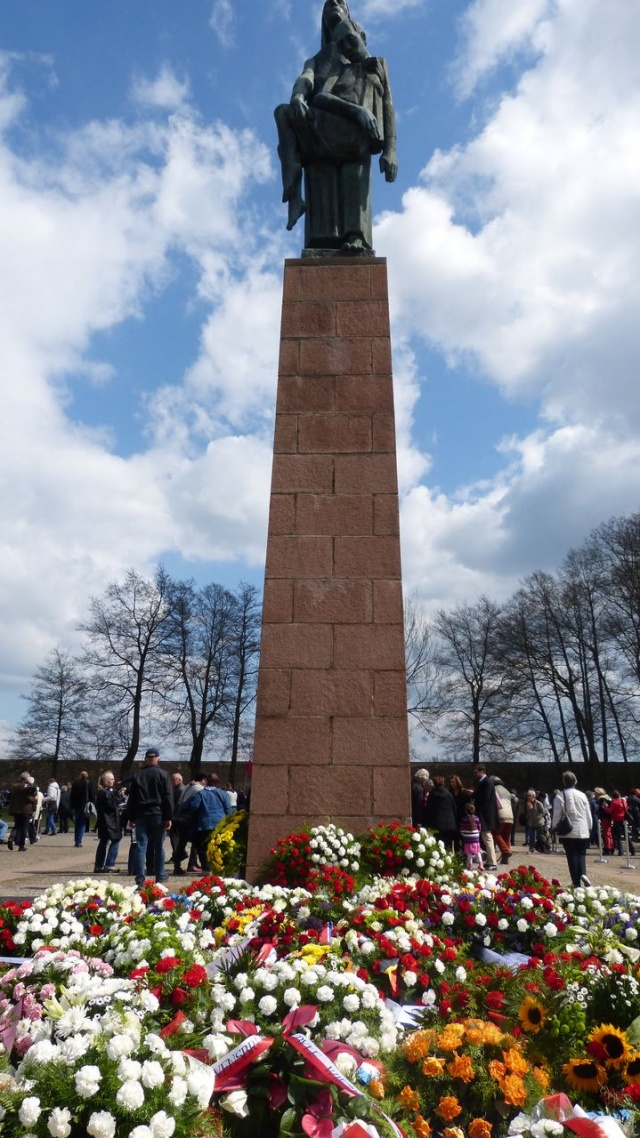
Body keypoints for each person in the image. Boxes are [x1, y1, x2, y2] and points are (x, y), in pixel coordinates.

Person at [274, 3, 397, 251]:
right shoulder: (323, 60)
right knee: (285, 114)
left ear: (362, 35)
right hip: (330, 127)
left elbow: (388, 106)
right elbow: (310, 83)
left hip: (358, 137)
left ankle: (356, 236)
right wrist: (298, 96)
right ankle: (295, 195)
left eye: (340, 2)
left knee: (355, 176)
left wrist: (390, 150)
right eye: (342, 43)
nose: (347, 47)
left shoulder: (376, 63)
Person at [125, 748, 173, 887]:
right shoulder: (163, 774)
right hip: (158, 813)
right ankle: (160, 875)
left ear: (146, 759)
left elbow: (132, 799)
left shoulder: (137, 776)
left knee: (141, 846)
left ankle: (140, 878)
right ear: (158, 759)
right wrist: (168, 817)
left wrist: (131, 817)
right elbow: (168, 797)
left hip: (141, 814)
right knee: (159, 846)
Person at [551, 770, 592, 888]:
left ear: (564, 782)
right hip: (582, 828)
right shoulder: (582, 795)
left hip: (568, 829)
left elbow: (557, 814)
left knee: (571, 854)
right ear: (575, 781)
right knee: (581, 853)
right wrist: (589, 826)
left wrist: (554, 827)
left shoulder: (560, 795)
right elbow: (588, 813)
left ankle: (576, 881)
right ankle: (583, 874)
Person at [188, 773, 233, 871]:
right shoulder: (223, 793)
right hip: (219, 824)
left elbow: (193, 807)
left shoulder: (201, 794)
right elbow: (228, 810)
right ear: (218, 782)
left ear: (207, 781)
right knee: (218, 846)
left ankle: (206, 868)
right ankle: (217, 866)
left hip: (204, 824)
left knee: (203, 848)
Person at [94, 771, 122, 873]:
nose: (113, 781)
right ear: (106, 781)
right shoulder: (104, 792)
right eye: (111, 779)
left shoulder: (103, 792)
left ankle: (99, 865)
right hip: (109, 821)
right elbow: (111, 805)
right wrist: (118, 795)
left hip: (105, 821)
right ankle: (109, 864)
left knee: (103, 842)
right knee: (115, 840)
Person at [471, 766, 498, 870]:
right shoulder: (483, 782)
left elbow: (485, 797)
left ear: (481, 771)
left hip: (486, 814)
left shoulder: (487, 782)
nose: (475, 774)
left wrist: (473, 794)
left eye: (476, 772)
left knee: (487, 837)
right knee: (486, 837)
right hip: (484, 814)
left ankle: (493, 862)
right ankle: (490, 861)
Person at [423, 775, 458, 849]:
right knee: (448, 847)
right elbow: (454, 808)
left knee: (439, 846)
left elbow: (428, 810)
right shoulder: (449, 794)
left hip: (437, 825)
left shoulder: (432, 795)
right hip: (450, 824)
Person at [7, 773, 38, 852]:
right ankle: (21, 846)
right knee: (24, 828)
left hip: (16, 810)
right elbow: (29, 798)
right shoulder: (26, 787)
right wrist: (35, 800)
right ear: (26, 779)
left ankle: (11, 838)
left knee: (17, 826)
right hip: (26, 810)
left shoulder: (15, 787)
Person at [70, 771, 96, 848]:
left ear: (80, 776)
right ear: (87, 776)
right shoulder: (89, 783)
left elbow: (72, 796)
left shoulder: (75, 783)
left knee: (77, 823)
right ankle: (79, 841)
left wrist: (72, 806)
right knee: (82, 824)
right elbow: (92, 796)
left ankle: (76, 840)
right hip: (85, 805)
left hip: (77, 806)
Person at [492, 776, 514, 865]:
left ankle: (506, 851)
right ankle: (505, 860)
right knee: (506, 837)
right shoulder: (507, 791)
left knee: (496, 833)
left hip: (500, 815)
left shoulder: (493, 790)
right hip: (510, 816)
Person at [459, 800, 484, 871]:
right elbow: (479, 827)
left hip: (467, 838)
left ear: (466, 811)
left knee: (469, 852)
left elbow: (462, 829)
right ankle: (481, 864)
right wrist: (478, 832)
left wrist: (463, 834)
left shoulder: (464, 819)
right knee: (478, 851)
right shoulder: (477, 818)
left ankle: (470, 866)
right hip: (476, 837)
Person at [524, 789, 545, 854]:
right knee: (531, 836)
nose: (528, 797)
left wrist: (538, 817)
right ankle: (531, 849)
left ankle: (545, 848)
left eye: (529, 795)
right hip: (531, 822)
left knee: (541, 836)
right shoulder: (528, 803)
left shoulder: (538, 803)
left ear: (533, 796)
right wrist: (528, 818)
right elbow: (528, 812)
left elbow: (543, 812)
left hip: (538, 822)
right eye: (528, 795)